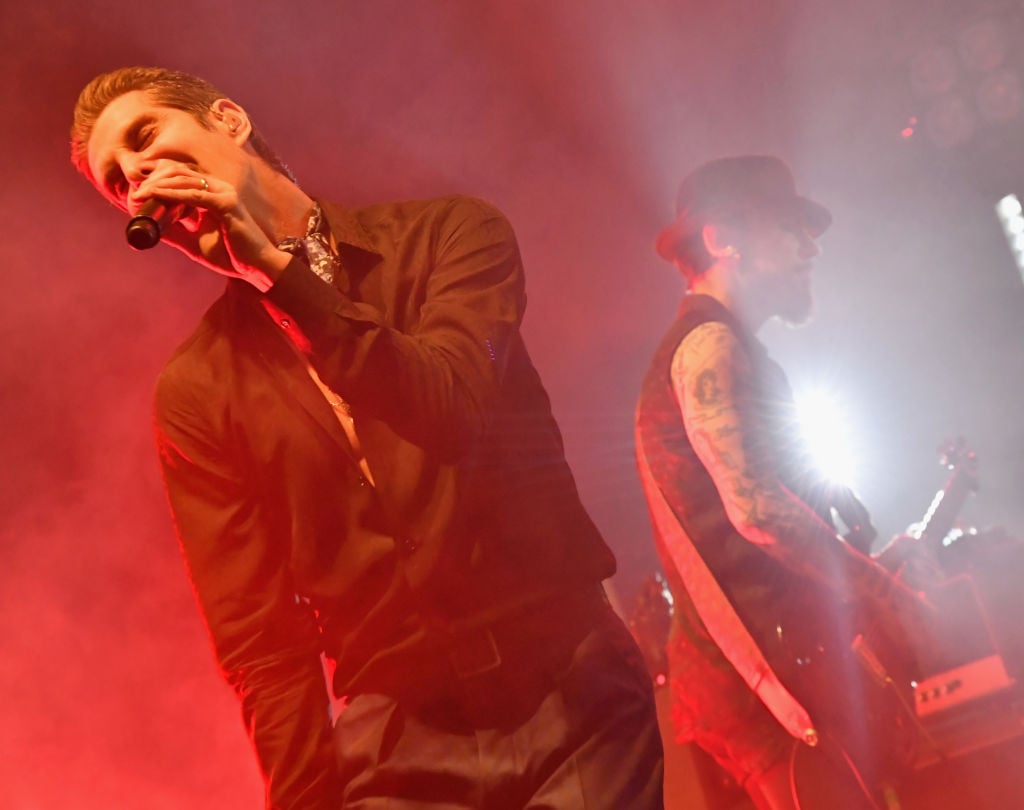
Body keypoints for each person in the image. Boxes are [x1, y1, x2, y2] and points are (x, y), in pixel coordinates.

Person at [70, 66, 664, 810]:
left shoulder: (450, 235)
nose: (138, 177)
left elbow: (448, 407)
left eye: (144, 137)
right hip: (398, 741)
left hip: (569, 693)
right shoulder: (198, 391)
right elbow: (262, 646)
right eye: (118, 183)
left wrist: (280, 279)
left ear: (228, 119)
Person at [634, 156, 934, 809]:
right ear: (722, 239)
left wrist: (865, 567)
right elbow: (758, 513)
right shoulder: (708, 346)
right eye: (788, 226)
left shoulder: (726, 346)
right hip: (768, 700)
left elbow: (749, 549)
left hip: (772, 692)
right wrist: (885, 592)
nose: (811, 245)